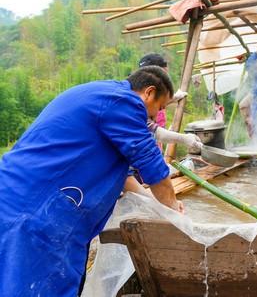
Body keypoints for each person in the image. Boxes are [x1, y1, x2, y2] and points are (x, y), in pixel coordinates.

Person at [0, 66, 184, 296]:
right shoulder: (124, 103)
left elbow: (126, 177)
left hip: (19, 197)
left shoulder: (104, 97)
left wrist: (156, 205)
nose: (157, 116)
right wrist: (175, 211)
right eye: (160, 107)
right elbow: (151, 164)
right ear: (148, 92)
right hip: (36, 210)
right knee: (33, 285)